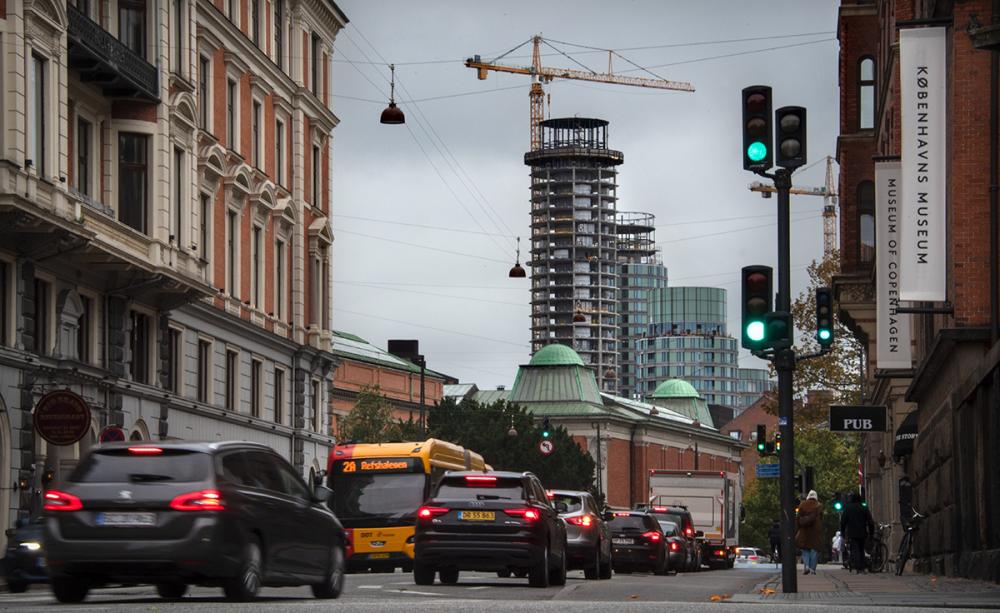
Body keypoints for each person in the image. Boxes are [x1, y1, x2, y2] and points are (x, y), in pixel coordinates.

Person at [840, 492, 874, 573]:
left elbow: (843, 521)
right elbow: (870, 521)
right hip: (862, 532)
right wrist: (871, 533)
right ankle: (861, 566)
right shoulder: (864, 508)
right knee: (861, 549)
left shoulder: (848, 508)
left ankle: (857, 565)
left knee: (854, 549)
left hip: (852, 532)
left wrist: (843, 532)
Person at [795, 490, 824, 574]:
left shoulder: (802, 504)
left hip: (804, 530)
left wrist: (797, 528)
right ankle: (812, 568)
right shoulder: (819, 505)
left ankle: (806, 566)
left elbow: (798, 517)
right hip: (815, 530)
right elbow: (821, 518)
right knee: (814, 549)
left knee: (805, 549)